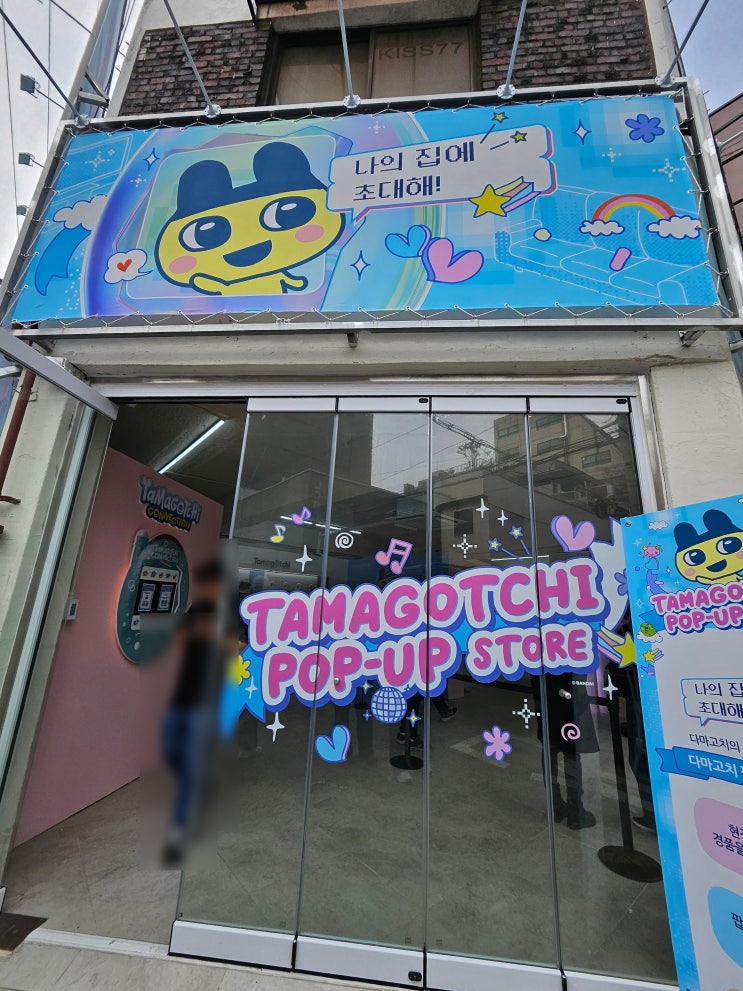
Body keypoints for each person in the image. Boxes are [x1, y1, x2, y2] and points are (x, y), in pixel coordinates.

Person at [161, 558, 234, 864]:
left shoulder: (232, 613)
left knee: (190, 765)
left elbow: (239, 647)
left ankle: (179, 832)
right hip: (181, 696)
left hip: (206, 701)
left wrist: (213, 636)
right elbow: (180, 638)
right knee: (171, 753)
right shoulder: (198, 609)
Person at [531, 672, 599, 830]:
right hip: (565, 690)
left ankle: (555, 805)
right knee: (571, 752)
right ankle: (575, 810)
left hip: (544, 690)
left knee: (550, 748)